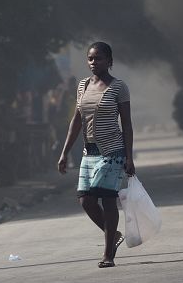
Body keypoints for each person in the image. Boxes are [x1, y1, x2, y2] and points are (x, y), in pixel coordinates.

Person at [57, 42, 135, 268]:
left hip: (112, 151)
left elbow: (127, 125)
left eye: (99, 58)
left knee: (108, 200)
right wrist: (64, 153)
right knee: (85, 200)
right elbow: (77, 120)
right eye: (90, 59)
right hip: (88, 152)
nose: (94, 63)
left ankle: (108, 254)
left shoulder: (119, 87)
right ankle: (113, 235)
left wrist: (129, 157)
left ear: (110, 61)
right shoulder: (82, 86)